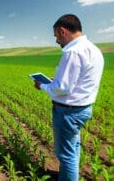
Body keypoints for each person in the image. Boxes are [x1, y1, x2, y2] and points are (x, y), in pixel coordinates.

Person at [34, 14, 104, 180]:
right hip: (82, 109)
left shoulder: (73, 52)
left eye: (56, 36)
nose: (57, 41)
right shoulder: (93, 49)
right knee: (73, 148)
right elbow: (76, 80)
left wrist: (42, 85)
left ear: (62, 31)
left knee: (66, 155)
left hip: (68, 112)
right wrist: (55, 81)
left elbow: (63, 88)